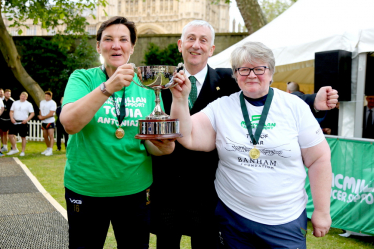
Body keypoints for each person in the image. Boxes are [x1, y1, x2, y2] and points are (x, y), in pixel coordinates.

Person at [170, 41, 332, 248]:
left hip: (285, 220)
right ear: (236, 75)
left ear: (271, 72)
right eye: (243, 69)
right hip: (233, 219)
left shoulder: (295, 107)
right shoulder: (222, 107)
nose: (251, 75)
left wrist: (321, 211)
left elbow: (319, 159)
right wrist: (180, 99)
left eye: (259, 68)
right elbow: (186, 135)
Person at [59, 16, 175, 249]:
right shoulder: (82, 78)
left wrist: (162, 146)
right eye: (108, 39)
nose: (116, 45)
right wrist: (108, 87)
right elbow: (70, 124)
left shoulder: (146, 84)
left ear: (132, 47)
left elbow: (145, 141)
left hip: (134, 191)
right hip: (86, 189)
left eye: (123, 39)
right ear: (98, 45)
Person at [151, 20, 240, 249]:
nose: (196, 45)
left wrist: (313, 102)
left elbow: (262, 92)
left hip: (209, 191)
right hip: (167, 189)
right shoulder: (159, 81)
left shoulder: (229, 82)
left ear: (211, 49)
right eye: (191, 38)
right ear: (180, 44)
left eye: (203, 40)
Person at [7, 92, 35, 156]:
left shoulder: (29, 104)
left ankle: (22, 151)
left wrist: (26, 120)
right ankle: (14, 148)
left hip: (23, 122)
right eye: (21, 96)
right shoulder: (15, 102)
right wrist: (11, 118)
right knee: (10, 135)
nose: (22, 97)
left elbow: (32, 113)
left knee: (23, 137)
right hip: (14, 121)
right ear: (19, 96)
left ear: (26, 97)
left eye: (24, 96)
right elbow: (11, 111)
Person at [38, 91, 57, 156]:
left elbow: (51, 113)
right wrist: (41, 116)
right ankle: (48, 148)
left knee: (51, 135)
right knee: (45, 136)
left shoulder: (53, 103)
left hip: (50, 121)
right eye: (45, 96)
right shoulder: (42, 102)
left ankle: (51, 150)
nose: (46, 97)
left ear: (51, 96)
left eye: (48, 96)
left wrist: (43, 117)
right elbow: (40, 110)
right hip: (44, 122)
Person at [0, 89, 14, 153]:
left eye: (9, 94)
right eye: (7, 93)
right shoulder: (1, 101)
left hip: (10, 119)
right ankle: (5, 146)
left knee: (12, 134)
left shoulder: (12, 101)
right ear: (4, 94)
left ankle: (13, 146)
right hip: (3, 119)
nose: (8, 95)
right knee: (4, 133)